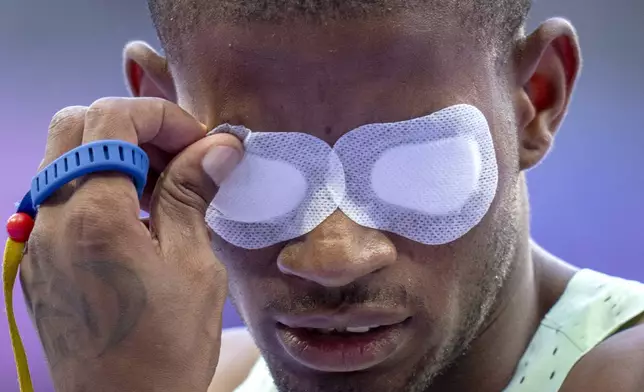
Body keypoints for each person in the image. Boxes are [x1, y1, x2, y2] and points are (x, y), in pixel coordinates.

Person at [13, 0, 644, 391]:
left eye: (413, 162)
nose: (332, 258)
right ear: (163, 126)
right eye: (261, 167)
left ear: (537, 101)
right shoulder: (192, 379)